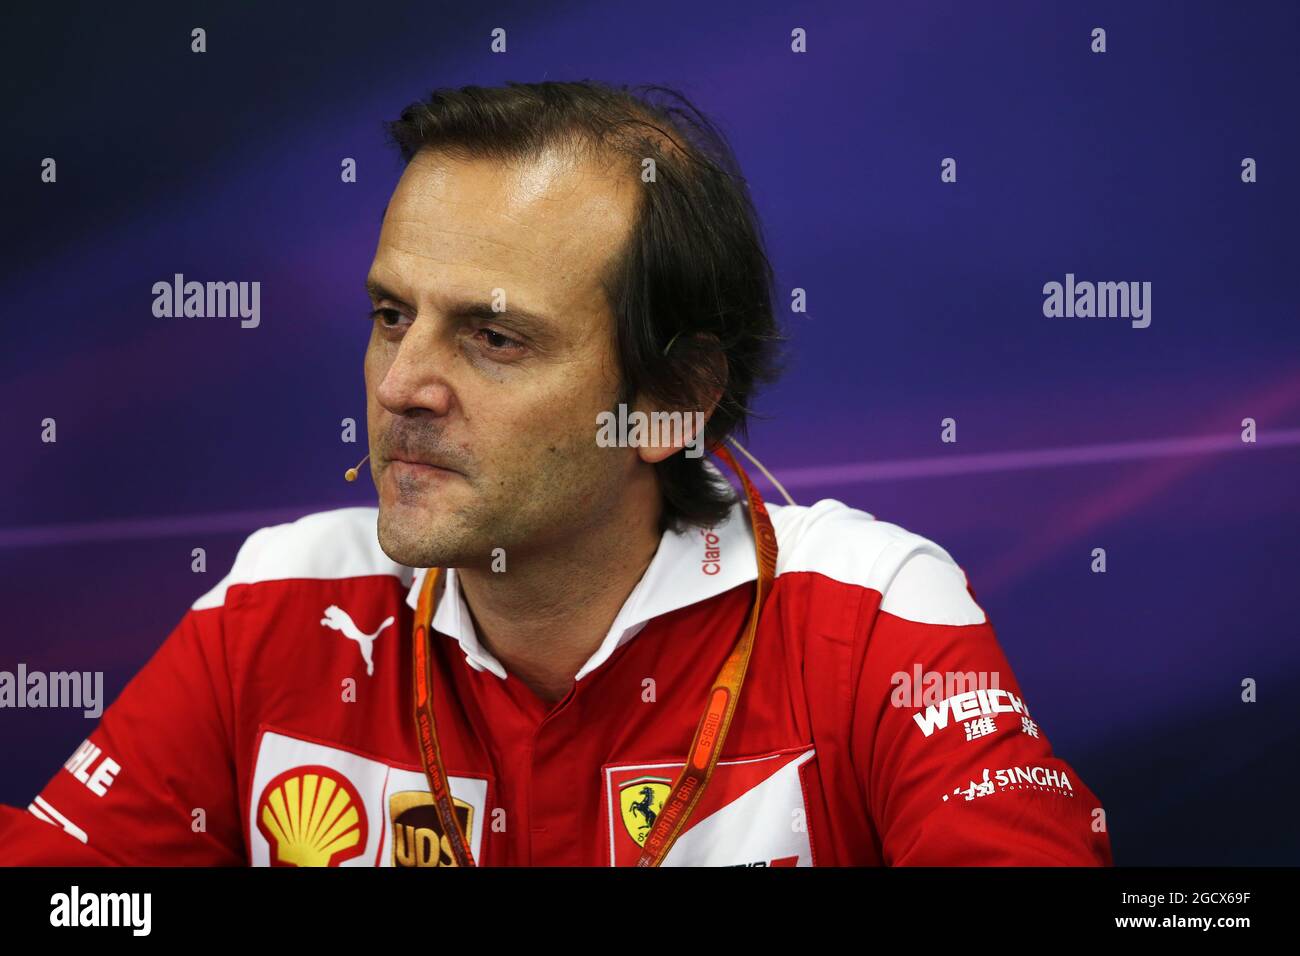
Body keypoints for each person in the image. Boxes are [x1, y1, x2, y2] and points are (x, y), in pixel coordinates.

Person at [0, 81, 1111, 866]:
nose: (401, 386)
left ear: (671, 398)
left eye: (494, 337)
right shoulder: (280, 601)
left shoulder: (868, 612)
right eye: (393, 316)